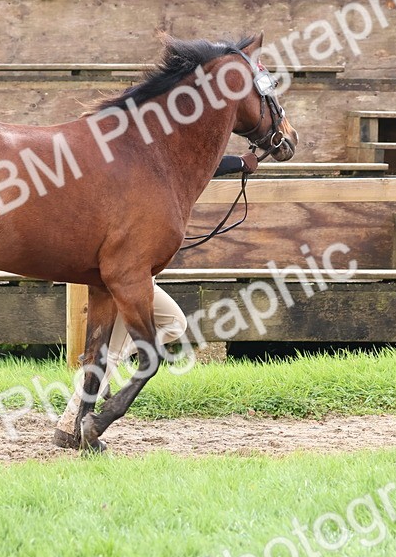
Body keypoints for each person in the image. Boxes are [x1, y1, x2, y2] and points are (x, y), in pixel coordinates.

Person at [53, 151, 260, 449]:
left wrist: (238, 163)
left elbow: (192, 165)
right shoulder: (141, 158)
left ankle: (101, 381)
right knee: (115, 349)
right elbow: (193, 162)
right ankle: (72, 421)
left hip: (134, 273)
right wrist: (239, 163)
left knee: (172, 323)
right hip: (125, 275)